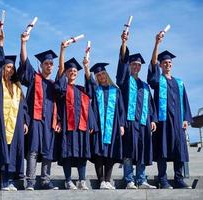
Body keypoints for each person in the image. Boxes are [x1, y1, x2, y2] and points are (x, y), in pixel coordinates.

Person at [147, 31, 193, 189]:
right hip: (163, 122)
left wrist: (186, 118)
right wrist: (157, 44)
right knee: (162, 151)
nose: (167, 64)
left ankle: (179, 179)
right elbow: (152, 65)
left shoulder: (179, 83)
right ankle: (163, 179)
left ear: (172, 64)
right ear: (160, 65)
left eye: (169, 63)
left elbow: (185, 102)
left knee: (179, 151)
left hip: (178, 123)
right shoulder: (157, 81)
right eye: (164, 63)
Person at [18, 32, 61, 190]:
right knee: (33, 150)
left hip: (50, 121)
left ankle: (45, 180)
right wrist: (23, 43)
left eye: (51, 64)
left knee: (48, 152)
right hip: (35, 120)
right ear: (41, 65)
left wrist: (59, 122)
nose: (49, 66)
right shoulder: (33, 77)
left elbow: (60, 104)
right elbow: (24, 62)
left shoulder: (53, 84)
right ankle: (30, 182)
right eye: (46, 63)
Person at [116, 31, 157, 189]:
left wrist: (153, 119)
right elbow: (122, 62)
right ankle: (129, 180)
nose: (136, 66)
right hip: (129, 122)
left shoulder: (145, 86)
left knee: (142, 151)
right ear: (129, 66)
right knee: (128, 152)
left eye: (138, 65)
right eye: (133, 64)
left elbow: (151, 104)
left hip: (144, 123)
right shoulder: (125, 81)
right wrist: (124, 43)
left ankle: (141, 179)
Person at [0, 26, 30, 191]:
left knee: (14, 152)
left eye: (12, 68)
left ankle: (10, 181)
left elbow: (24, 106)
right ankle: (4, 181)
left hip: (16, 124)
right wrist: (1, 41)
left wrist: (25, 121)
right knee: (3, 151)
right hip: (2, 124)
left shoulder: (17, 86)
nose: (10, 69)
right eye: (8, 67)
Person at [54, 41, 97, 190]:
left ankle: (81, 180)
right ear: (66, 73)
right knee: (67, 153)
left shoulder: (82, 89)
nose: (72, 72)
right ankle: (68, 180)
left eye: (74, 71)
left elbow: (93, 91)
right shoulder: (63, 88)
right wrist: (62, 52)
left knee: (82, 154)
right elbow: (58, 85)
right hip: (68, 126)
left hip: (82, 127)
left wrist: (86, 67)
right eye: (70, 71)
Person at [83, 59, 125, 190]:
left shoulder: (116, 91)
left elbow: (121, 109)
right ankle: (101, 181)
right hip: (98, 127)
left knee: (110, 154)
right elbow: (89, 82)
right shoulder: (96, 90)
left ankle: (107, 180)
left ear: (107, 74)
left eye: (102, 74)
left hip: (113, 128)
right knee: (99, 154)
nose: (101, 76)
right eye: (98, 75)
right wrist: (86, 67)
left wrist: (122, 125)